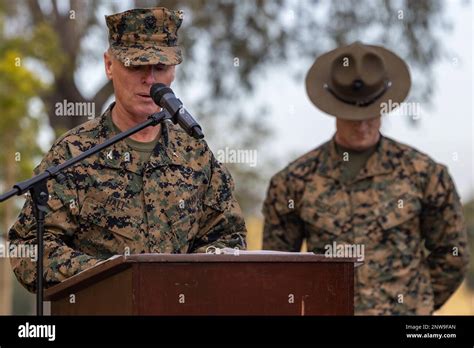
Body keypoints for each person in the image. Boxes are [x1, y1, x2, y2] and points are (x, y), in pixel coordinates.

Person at [9, 7, 246, 293]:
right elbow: (30, 249)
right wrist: (113, 275)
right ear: (109, 65)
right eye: (136, 66)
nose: (150, 79)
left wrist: (183, 279)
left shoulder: (195, 154)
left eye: (161, 67)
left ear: (173, 71)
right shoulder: (74, 153)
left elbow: (229, 238)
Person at [262, 41, 469, 315]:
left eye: (370, 113)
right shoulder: (293, 181)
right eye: (352, 116)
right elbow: (278, 270)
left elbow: (452, 255)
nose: (362, 125)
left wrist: (414, 306)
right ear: (334, 109)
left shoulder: (425, 174)